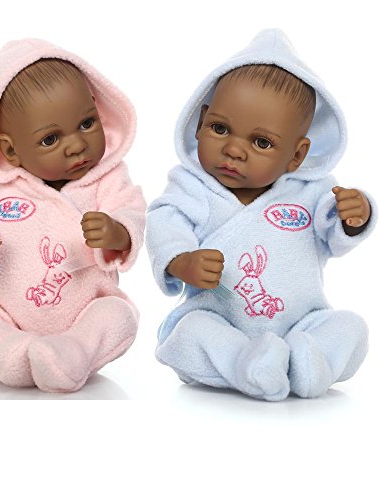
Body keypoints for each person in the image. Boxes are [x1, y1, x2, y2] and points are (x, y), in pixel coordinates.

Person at [146, 29, 376, 401]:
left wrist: (355, 217)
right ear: (201, 122)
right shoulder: (192, 186)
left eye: (261, 142)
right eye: (220, 129)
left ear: (297, 155)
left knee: (352, 328)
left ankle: (307, 362)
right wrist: (180, 261)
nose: (234, 150)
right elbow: (165, 221)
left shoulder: (312, 190)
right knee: (190, 333)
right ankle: (246, 364)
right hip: (219, 321)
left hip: (301, 323)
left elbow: (334, 233)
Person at [0, 39, 146, 392]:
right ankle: (11, 352)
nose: (76, 144)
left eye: (87, 123)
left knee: (119, 315)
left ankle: (72, 353)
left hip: (87, 311)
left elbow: (131, 209)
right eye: (51, 139)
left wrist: (118, 232)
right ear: (10, 149)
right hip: (7, 315)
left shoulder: (108, 178)